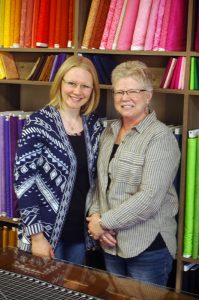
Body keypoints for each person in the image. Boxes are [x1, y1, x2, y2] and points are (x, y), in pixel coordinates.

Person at [87, 60, 181, 286]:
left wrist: (103, 222)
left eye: (132, 91)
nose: (124, 97)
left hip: (147, 246)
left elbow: (149, 198)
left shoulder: (160, 138)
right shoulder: (109, 131)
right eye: (119, 91)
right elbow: (100, 183)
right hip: (111, 244)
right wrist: (95, 219)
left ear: (148, 95)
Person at [14, 55, 103, 265]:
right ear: (60, 83)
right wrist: (36, 236)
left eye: (85, 86)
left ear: (93, 91)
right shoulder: (38, 123)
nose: (77, 91)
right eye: (71, 83)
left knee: (72, 294)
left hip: (80, 235)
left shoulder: (94, 126)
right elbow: (24, 183)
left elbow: (98, 180)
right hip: (45, 234)